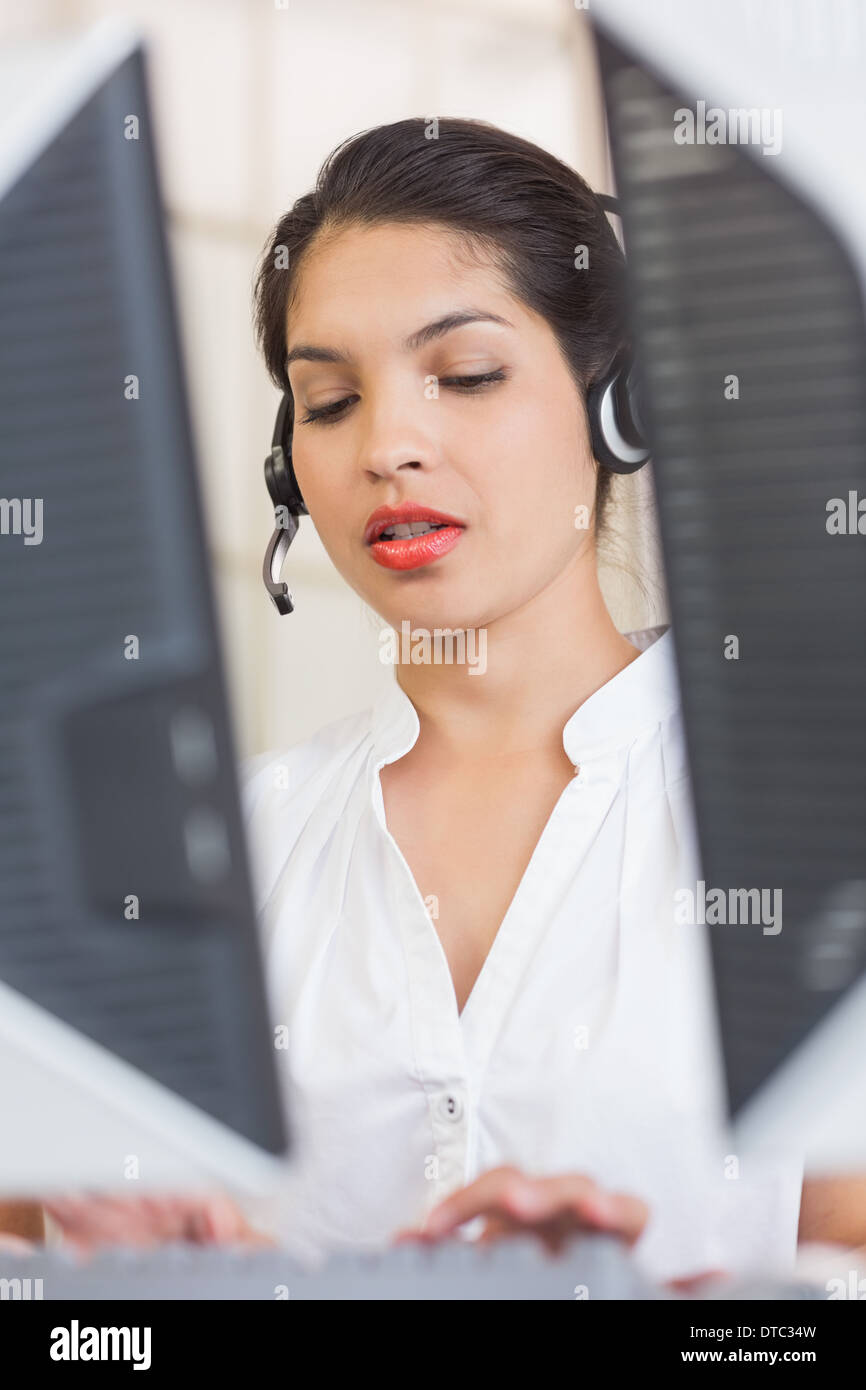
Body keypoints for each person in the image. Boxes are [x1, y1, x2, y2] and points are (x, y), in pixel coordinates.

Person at [3, 117, 828, 1283]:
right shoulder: (215, 857)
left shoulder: (808, 827)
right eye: (329, 400)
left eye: (467, 374)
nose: (387, 443)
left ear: (618, 404)